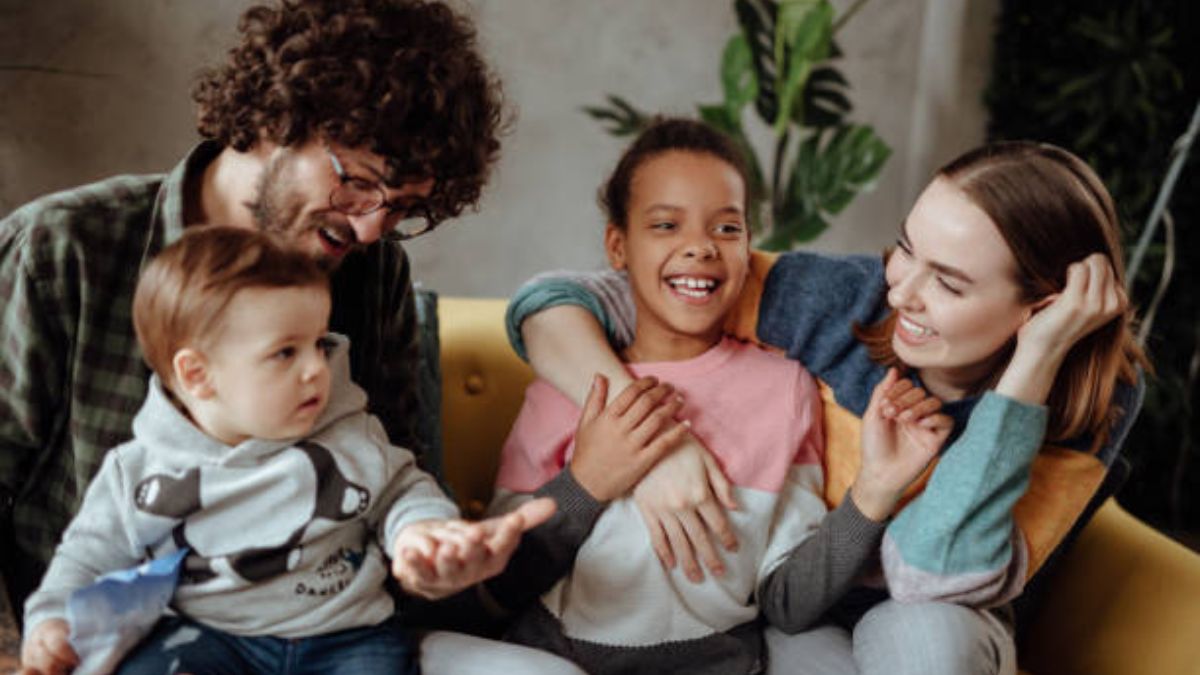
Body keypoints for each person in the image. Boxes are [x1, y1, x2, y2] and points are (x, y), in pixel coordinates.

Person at [505, 140, 1147, 674]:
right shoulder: (838, 300)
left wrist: (1026, 378)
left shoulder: (1094, 398)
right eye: (906, 249)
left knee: (926, 640)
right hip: (800, 605)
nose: (905, 293)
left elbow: (933, 578)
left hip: (938, 619)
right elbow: (563, 298)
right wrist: (656, 449)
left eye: (948, 283)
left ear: (1039, 309)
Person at [0, 0, 501, 621]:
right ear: (278, 119)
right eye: (360, 182)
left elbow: (388, 473)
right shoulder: (63, 249)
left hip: (313, 640)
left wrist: (427, 560)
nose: (373, 229)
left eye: (401, 209)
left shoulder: (373, 273)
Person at [488, 118, 952, 674]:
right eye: (665, 225)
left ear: (749, 248)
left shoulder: (785, 391)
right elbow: (502, 585)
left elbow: (786, 602)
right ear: (618, 246)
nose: (700, 247)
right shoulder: (568, 386)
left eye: (727, 229)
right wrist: (587, 485)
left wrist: (874, 493)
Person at [17, 226, 566, 675]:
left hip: (346, 638)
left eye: (318, 343)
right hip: (213, 638)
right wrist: (51, 624)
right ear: (198, 374)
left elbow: (404, 491)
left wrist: (423, 533)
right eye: (284, 353)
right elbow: (84, 559)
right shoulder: (140, 470)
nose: (314, 368)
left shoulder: (349, 434)